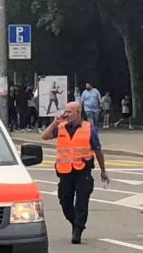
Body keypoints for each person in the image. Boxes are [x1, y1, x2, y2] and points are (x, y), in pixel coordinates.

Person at [41, 101, 109, 244]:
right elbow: (45, 136)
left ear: (78, 113)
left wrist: (103, 170)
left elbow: (98, 150)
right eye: (65, 111)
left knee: (82, 202)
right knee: (64, 201)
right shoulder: (60, 127)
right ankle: (74, 222)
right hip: (65, 172)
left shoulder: (89, 129)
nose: (65, 114)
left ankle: (78, 230)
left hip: (82, 170)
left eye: (69, 112)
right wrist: (54, 123)